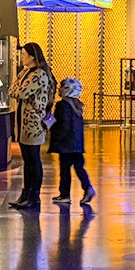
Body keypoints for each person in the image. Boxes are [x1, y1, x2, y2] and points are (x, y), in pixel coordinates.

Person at [8, 42, 55, 208]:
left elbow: (20, 92)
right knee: (27, 160)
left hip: (33, 124)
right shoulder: (26, 72)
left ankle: (34, 195)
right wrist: (18, 86)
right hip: (23, 124)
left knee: (33, 159)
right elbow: (12, 90)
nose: (21, 57)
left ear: (32, 57)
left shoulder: (39, 74)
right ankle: (25, 193)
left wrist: (18, 87)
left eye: (24, 55)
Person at [48, 77, 95, 205]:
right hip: (76, 143)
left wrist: (55, 137)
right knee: (79, 167)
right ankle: (87, 187)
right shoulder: (77, 105)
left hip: (66, 144)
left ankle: (65, 194)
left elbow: (63, 124)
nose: (59, 90)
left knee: (65, 170)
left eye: (62, 88)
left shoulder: (62, 105)